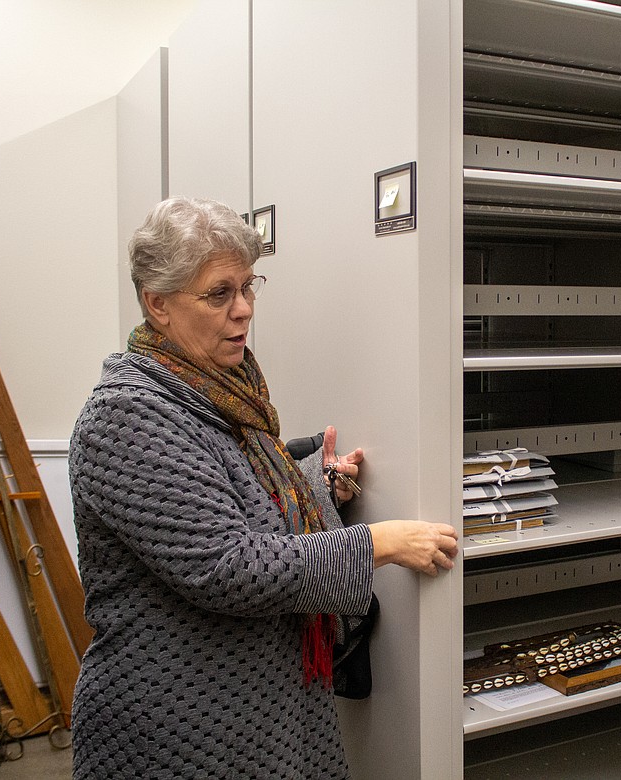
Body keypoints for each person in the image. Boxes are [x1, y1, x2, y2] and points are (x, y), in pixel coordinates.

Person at [67, 197, 458, 779]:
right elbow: (225, 564)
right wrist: (378, 543)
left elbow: (242, 503)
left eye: (249, 287)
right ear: (158, 304)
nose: (244, 310)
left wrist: (321, 489)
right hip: (177, 732)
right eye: (219, 293)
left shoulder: (223, 392)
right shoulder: (126, 417)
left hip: (266, 716)